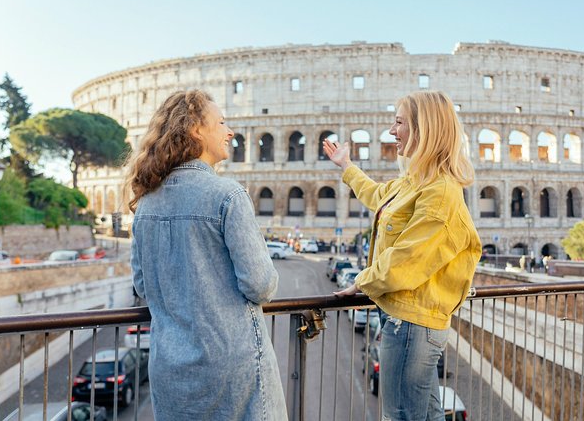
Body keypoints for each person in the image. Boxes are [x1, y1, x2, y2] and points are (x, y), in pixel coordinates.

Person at [125, 90, 287, 420]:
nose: (230, 132)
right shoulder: (228, 195)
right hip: (232, 364)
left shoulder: (145, 205)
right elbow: (260, 285)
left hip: (170, 368)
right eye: (222, 123)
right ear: (196, 129)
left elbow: (142, 287)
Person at [324, 90, 481, 420]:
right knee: (426, 415)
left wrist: (362, 281)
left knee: (401, 416)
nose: (391, 131)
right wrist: (347, 166)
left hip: (412, 322)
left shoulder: (439, 191)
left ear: (424, 129)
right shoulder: (413, 182)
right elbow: (378, 196)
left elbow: (409, 257)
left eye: (399, 123)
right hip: (406, 318)